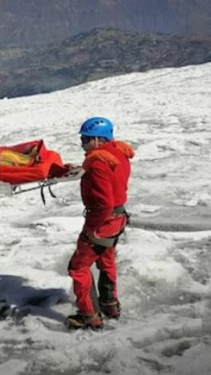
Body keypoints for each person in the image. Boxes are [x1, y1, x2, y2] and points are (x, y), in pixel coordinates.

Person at [66, 116, 134, 330]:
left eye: (85, 139)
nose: (83, 144)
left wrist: (92, 229)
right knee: (106, 261)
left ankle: (89, 315)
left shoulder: (97, 162)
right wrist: (81, 169)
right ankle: (110, 304)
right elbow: (110, 177)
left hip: (103, 222)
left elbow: (104, 202)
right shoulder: (118, 153)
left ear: (97, 139)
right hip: (118, 218)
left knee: (78, 267)